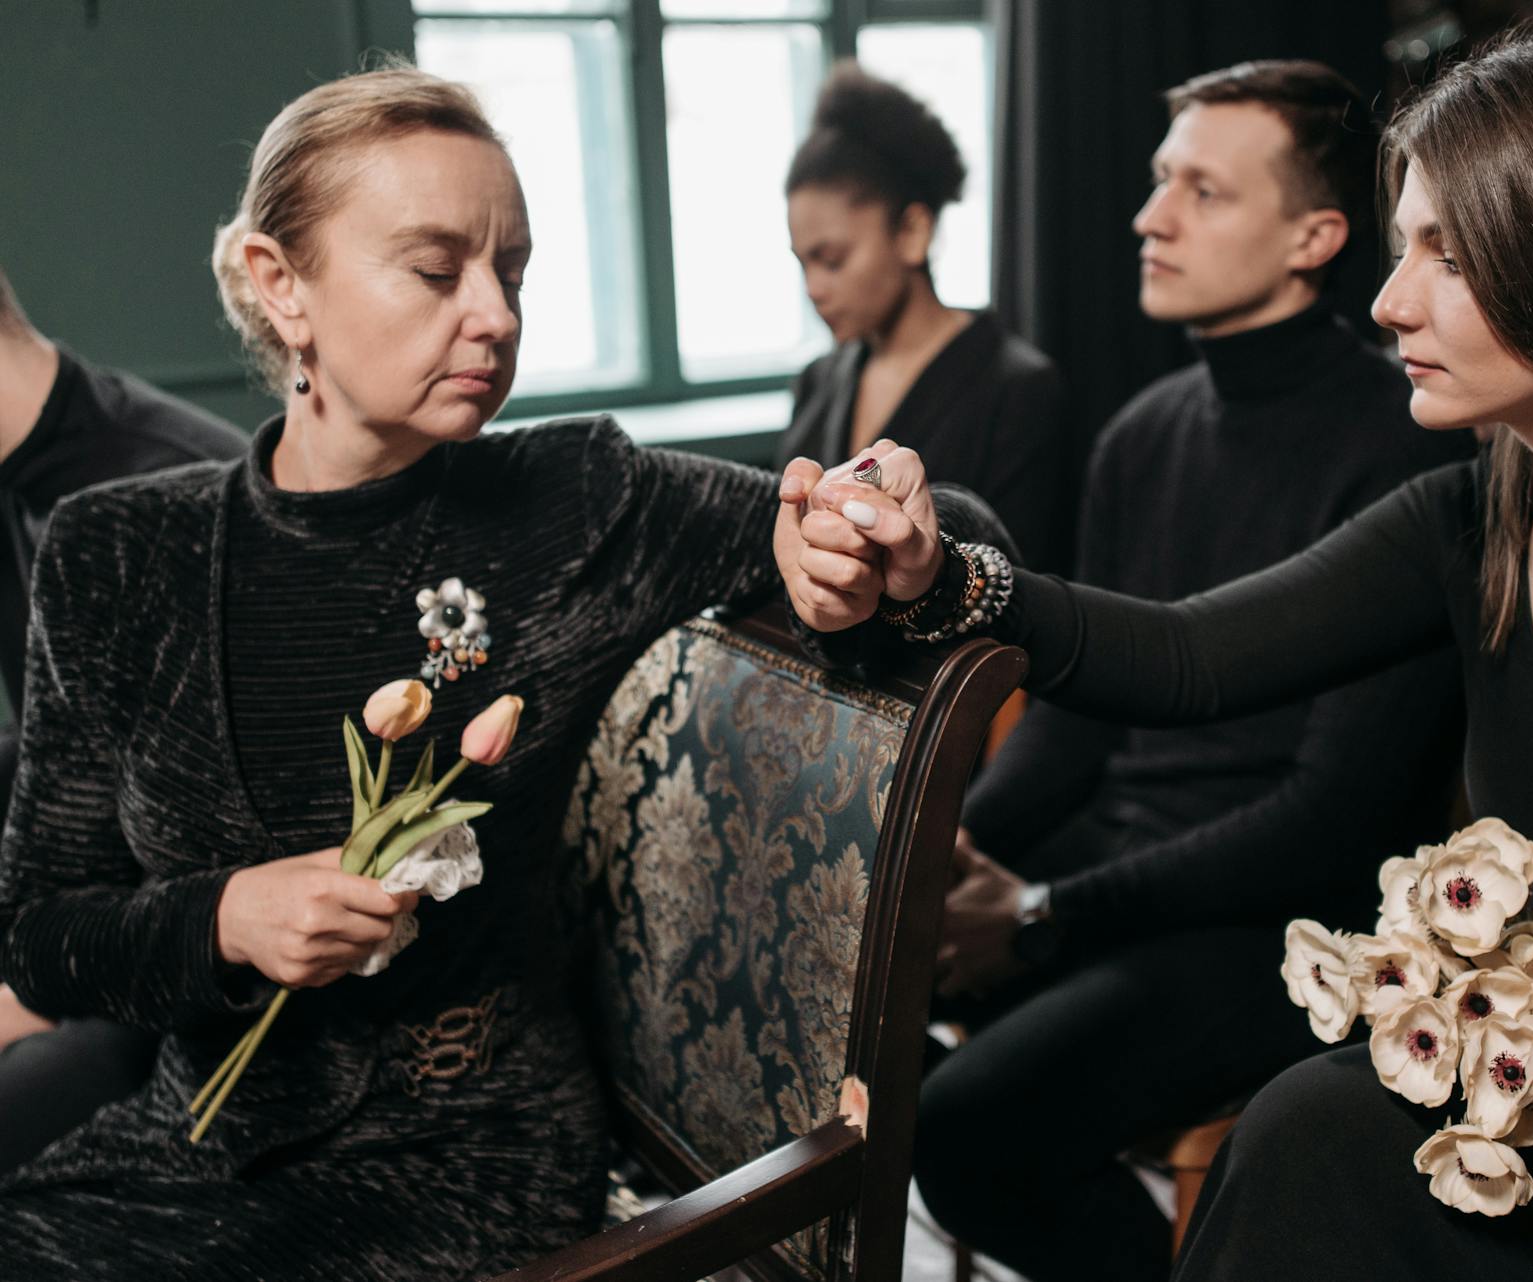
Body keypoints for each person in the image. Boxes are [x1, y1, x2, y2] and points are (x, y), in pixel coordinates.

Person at [782, 19, 1533, 1276]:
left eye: (1448, 253)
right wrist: (942, 576)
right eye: (1399, 248)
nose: (1389, 302)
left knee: (1322, 1138)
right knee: (1312, 1121)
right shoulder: (1477, 522)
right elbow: (1185, 657)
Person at [0, 66, 995, 1279]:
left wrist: (869, 543)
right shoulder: (114, 553)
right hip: (189, 1145)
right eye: (436, 271)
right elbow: (42, 933)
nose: (496, 315)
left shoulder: (574, 500)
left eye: (511, 271)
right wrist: (224, 915)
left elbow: (936, 534)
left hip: (461, 1163)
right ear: (281, 284)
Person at [910, 61, 1471, 1281]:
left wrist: (1044, 918)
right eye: (1162, 180)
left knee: (964, 1127)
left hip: (1279, 918)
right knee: (860, 1014)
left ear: (1315, 237)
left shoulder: (1406, 451)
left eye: (1203, 191)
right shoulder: (1140, 432)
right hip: (1122, 866)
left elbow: (1331, 821)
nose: (1148, 217)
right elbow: (1070, 732)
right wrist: (947, 860)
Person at [0, 267, 247, 1174]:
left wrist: (24, 995)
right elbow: (61, 772)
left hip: (204, 1006)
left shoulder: (162, 499)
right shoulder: (23, 474)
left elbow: (218, 875)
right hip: (94, 927)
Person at [779, 62, 1073, 571]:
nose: (813, 288)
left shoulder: (1019, 391)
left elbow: (1030, 584)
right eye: (802, 263)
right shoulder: (818, 381)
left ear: (913, 231)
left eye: (832, 260)